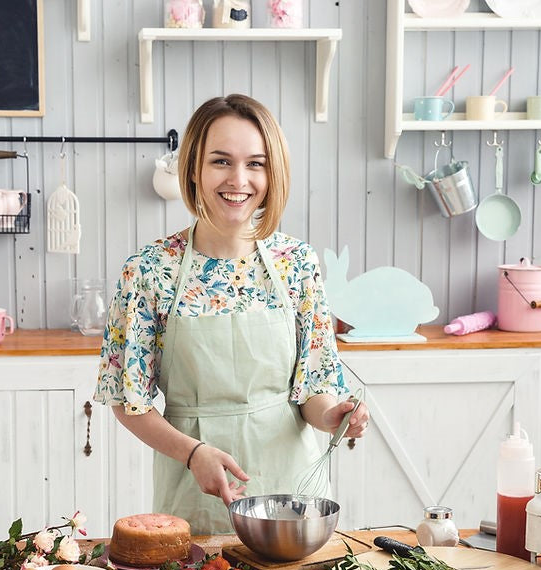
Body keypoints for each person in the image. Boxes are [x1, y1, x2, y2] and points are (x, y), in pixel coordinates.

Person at [94, 94, 368, 534]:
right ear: (194, 169)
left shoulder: (296, 263)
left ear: (272, 171)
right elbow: (130, 403)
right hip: (193, 490)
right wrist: (192, 453)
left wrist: (334, 416)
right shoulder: (149, 270)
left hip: (291, 497)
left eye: (256, 164)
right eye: (221, 161)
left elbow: (313, 391)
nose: (238, 179)